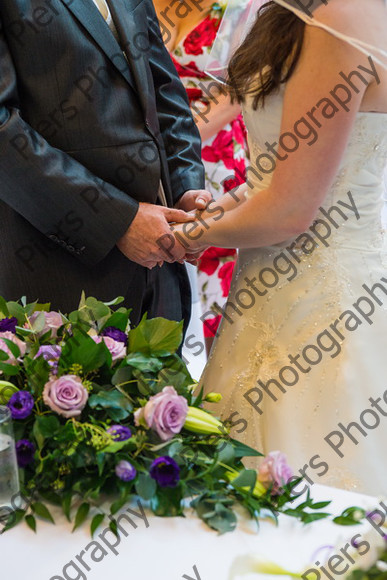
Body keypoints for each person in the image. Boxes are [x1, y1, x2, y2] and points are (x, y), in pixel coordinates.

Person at [172, 0, 387, 496]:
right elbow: (270, 176)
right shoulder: (287, 13)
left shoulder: (342, 18)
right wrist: (209, 214)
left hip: (325, 306)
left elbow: (291, 211)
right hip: (262, 295)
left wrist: (180, 238)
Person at [0, 0, 210, 332]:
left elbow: (162, 88)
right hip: (61, 274)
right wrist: (118, 222)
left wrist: (187, 186)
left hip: (162, 267)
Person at [153, 0, 248, 352]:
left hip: (216, 152)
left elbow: (238, 91)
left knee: (217, 262)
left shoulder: (236, 7)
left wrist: (181, 136)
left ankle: (218, 360)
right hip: (156, 149)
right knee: (163, 249)